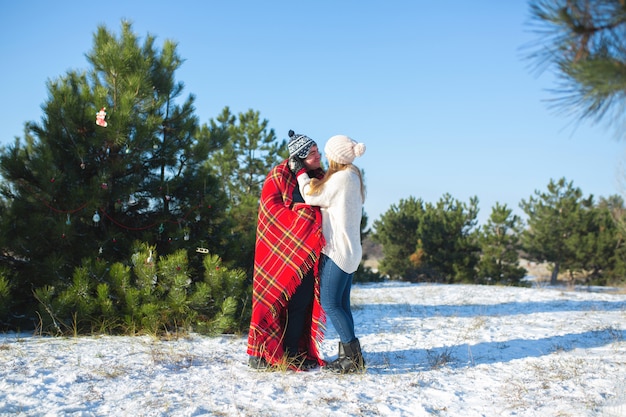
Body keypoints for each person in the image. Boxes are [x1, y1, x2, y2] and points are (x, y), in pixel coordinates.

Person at [247, 129, 326, 371]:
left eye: (318, 150)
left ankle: (293, 351)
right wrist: (306, 215)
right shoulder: (278, 176)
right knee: (269, 303)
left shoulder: (318, 176)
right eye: (312, 152)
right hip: (278, 253)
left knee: (301, 303)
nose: (318, 155)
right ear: (300, 156)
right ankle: (259, 354)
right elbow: (271, 213)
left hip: (304, 255)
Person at [291, 134, 367, 373]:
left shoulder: (342, 179)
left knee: (330, 303)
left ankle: (353, 360)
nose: (323, 156)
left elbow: (312, 196)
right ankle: (350, 357)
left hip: (338, 251)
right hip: (352, 250)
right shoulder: (354, 176)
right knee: (342, 304)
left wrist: (300, 173)